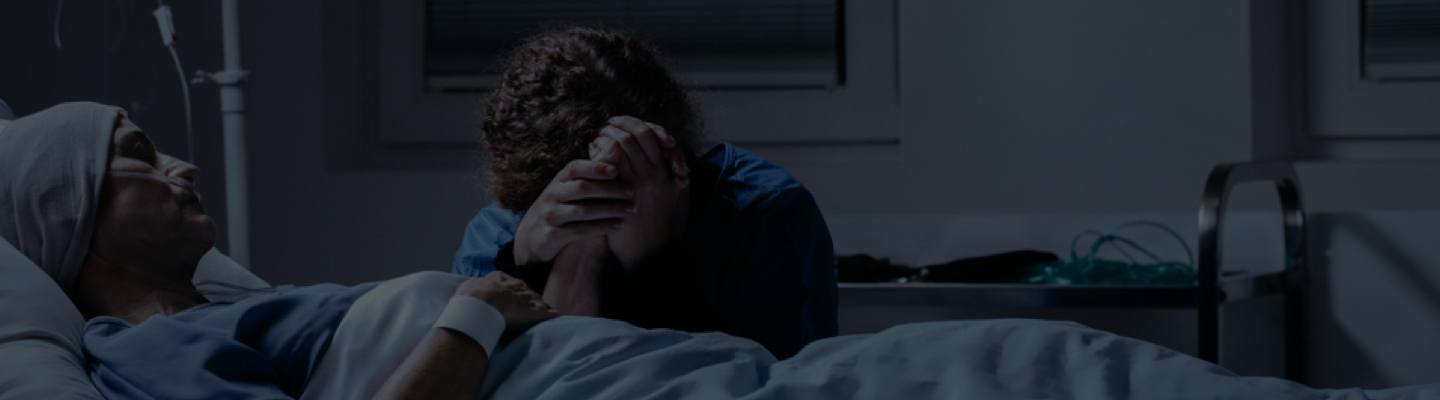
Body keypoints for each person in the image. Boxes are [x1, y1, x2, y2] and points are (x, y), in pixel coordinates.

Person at [0, 102, 553, 399]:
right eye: (140, 156)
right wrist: (474, 315)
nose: (185, 169)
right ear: (69, 207)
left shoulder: (232, 313)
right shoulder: (144, 348)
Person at [452, 27, 838, 359]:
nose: (602, 225)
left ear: (678, 163)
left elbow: (781, 382)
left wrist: (655, 260)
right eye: (583, 202)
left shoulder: (767, 214)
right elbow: (476, 380)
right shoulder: (500, 232)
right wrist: (535, 265)